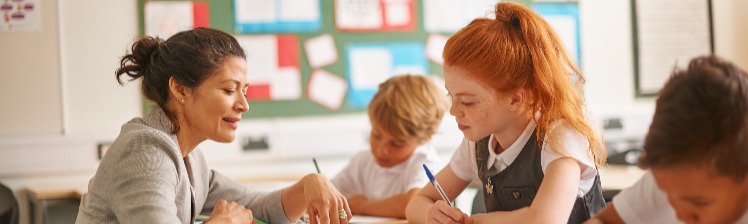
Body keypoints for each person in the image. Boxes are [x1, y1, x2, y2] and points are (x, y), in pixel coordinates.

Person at [76, 28, 351, 224]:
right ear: (180, 89)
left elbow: (257, 208)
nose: (244, 104)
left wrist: (308, 185)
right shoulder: (145, 153)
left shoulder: (189, 157)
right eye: (230, 90)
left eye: (244, 90)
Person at [405, 2, 607, 223]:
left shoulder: (560, 138)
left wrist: (475, 221)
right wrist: (430, 216)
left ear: (515, 98)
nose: (454, 110)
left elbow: (545, 220)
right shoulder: (478, 144)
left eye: (468, 102)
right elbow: (419, 200)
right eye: (451, 96)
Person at [585, 56, 748, 224]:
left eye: (699, 203)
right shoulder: (677, 178)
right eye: (668, 196)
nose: (681, 216)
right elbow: (605, 221)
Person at [330, 75, 449, 218]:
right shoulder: (363, 161)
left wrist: (362, 206)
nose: (382, 150)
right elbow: (329, 193)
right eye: (376, 135)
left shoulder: (426, 164)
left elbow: (414, 201)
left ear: (424, 138)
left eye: (397, 143)